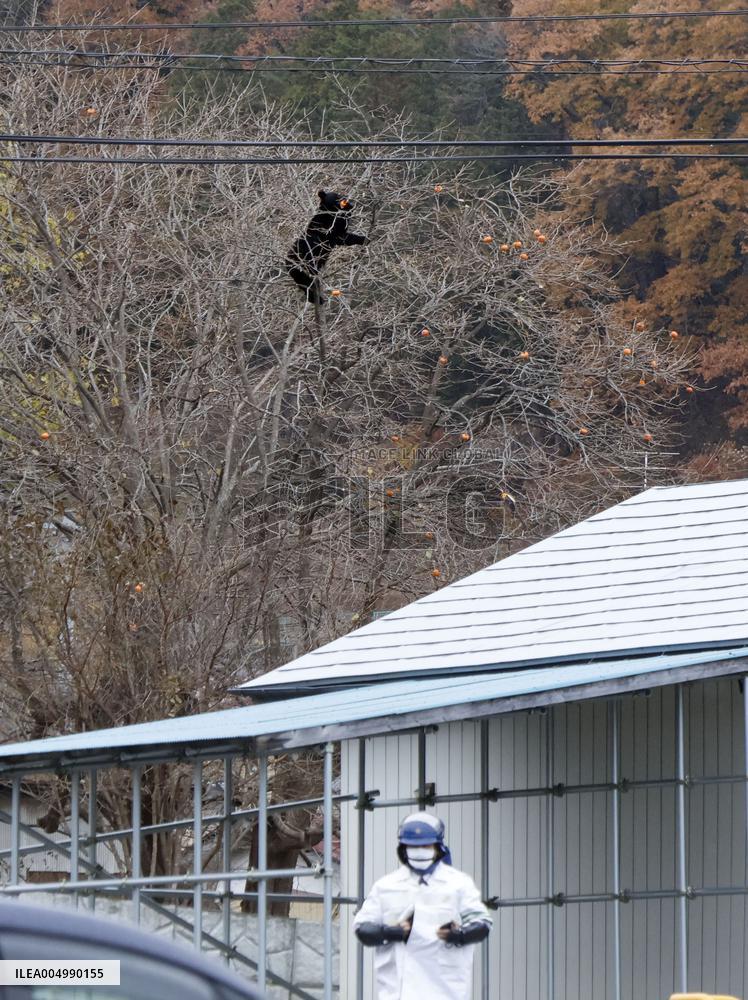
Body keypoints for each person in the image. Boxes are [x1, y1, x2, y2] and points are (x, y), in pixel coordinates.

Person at [353, 812, 492, 1000]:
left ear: (438, 847)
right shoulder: (386, 886)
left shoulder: (459, 884)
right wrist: (389, 932)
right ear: (403, 849)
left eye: (425, 845)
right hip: (398, 991)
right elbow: (363, 928)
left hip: (445, 990)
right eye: (412, 846)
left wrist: (459, 935)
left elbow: (482, 924)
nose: (419, 851)